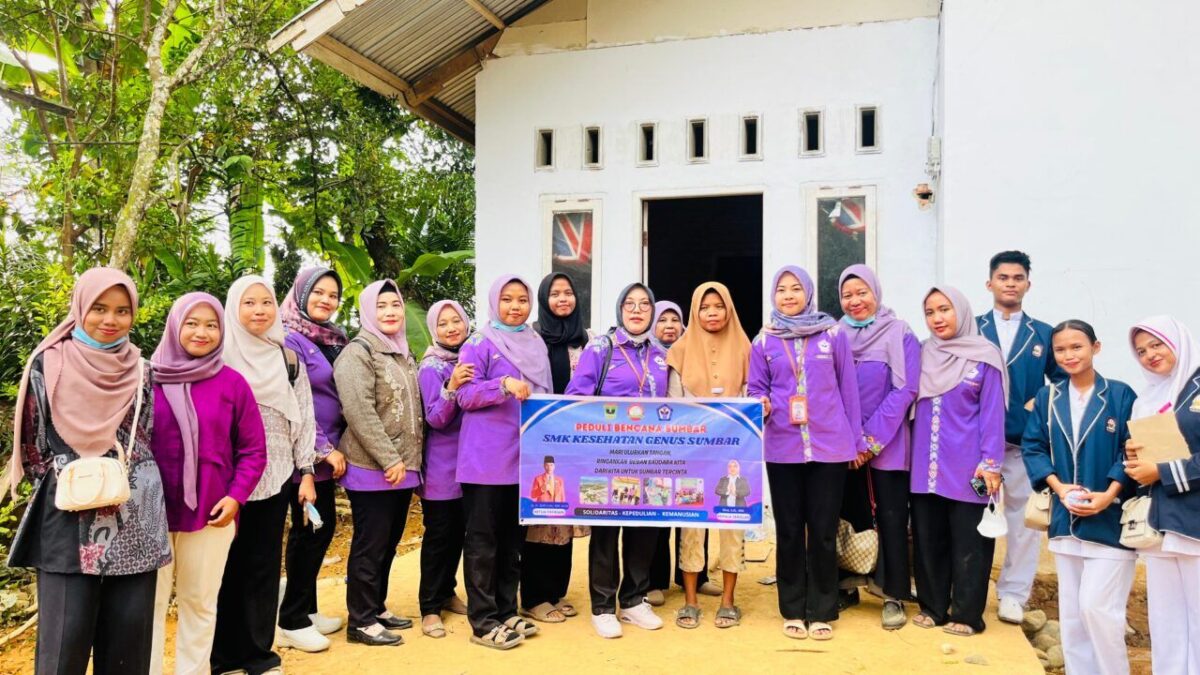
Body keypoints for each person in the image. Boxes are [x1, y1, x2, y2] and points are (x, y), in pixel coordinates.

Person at [6, 267, 171, 675]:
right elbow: (33, 446)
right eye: (99, 308)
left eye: (122, 311)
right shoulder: (48, 363)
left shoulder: (142, 369)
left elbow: (145, 433)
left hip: (135, 515)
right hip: (67, 513)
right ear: (80, 307)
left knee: (128, 646)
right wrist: (77, 478)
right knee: (63, 644)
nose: (110, 319)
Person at [149, 293, 267, 675]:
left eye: (211, 325)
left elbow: (253, 450)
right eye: (192, 323)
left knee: (199, 603)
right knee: (147, 606)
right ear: (175, 326)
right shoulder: (145, 379)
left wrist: (236, 497)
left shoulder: (232, 384)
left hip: (211, 512)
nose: (202, 332)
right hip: (150, 513)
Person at [748, 266, 865, 640]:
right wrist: (761, 402)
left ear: (809, 293)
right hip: (782, 447)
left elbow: (849, 389)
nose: (788, 295)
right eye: (781, 289)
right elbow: (755, 387)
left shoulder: (833, 334)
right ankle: (793, 609)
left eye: (796, 288)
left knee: (824, 531)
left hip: (830, 447)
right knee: (789, 530)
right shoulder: (763, 340)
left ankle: (822, 610)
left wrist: (856, 441)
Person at [212, 275, 318, 675]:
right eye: (249, 303)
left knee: (263, 567)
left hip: (276, 476)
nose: (259, 310)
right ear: (233, 308)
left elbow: (303, 416)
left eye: (266, 302)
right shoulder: (217, 357)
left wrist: (306, 471)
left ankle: (259, 655)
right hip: (225, 482)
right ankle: (223, 658)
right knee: (224, 568)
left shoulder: (286, 358)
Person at [1021, 320, 1137, 675]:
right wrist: (1059, 488)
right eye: (1060, 349)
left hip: (1109, 521)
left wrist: (1109, 493)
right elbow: (1033, 446)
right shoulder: (1048, 398)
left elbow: (1131, 450)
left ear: (1095, 348)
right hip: (1064, 520)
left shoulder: (1120, 395)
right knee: (1072, 618)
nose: (1068, 355)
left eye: (1077, 347)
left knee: (1098, 610)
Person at [566, 282, 669, 638]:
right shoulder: (601, 348)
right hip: (606, 458)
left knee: (645, 529)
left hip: (651, 458)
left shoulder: (661, 353)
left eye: (644, 304)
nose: (637, 310)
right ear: (620, 310)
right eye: (630, 304)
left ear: (652, 311)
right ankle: (603, 606)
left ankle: (634, 600)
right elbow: (576, 397)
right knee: (606, 532)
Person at [456, 275, 551, 649]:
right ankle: (483, 622)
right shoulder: (478, 343)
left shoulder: (535, 342)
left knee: (512, 541)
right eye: (507, 299)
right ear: (495, 302)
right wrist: (502, 385)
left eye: (522, 299)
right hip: (485, 460)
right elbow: (463, 396)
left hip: (522, 458)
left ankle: (507, 610)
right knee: (483, 542)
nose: (515, 306)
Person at [910, 286, 1006, 637]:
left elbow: (992, 413)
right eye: (930, 312)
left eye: (945, 309)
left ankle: (966, 614)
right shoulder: (921, 353)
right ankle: (933, 607)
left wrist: (991, 462)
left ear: (961, 311)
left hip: (971, 467)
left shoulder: (985, 357)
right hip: (925, 465)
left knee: (970, 542)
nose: (937, 318)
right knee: (928, 537)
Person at [334, 279, 425, 646]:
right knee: (370, 545)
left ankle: (376, 606)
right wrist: (389, 458)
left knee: (388, 543)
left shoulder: (402, 352)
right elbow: (359, 411)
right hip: (373, 469)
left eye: (395, 305)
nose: (390, 312)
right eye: (381, 306)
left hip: (402, 469)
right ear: (368, 312)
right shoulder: (358, 353)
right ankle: (360, 621)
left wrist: (410, 462)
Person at [976, 250, 1061, 624]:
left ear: (1028, 284)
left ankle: (1013, 594)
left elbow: (1064, 379)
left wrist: (1038, 402)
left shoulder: (1044, 334)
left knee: (1024, 522)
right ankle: (969, 587)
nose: (1010, 284)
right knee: (972, 516)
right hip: (977, 445)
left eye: (1017, 278)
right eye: (1003, 277)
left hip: (1023, 443)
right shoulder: (972, 328)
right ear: (989, 283)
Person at [837, 265, 921, 629]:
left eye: (862, 293)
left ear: (876, 292)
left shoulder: (900, 333)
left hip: (887, 443)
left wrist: (869, 441)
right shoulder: (835, 335)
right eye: (847, 295)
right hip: (843, 445)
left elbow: (906, 389)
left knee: (890, 516)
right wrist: (849, 440)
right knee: (847, 514)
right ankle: (847, 586)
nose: (855, 301)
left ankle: (893, 594)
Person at [668, 282, 752, 630]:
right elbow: (674, 406)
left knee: (732, 526)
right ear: (695, 311)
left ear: (729, 308)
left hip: (735, 453)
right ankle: (690, 601)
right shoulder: (679, 350)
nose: (712, 313)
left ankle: (728, 601)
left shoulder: (746, 348)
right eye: (705, 307)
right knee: (691, 525)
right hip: (693, 454)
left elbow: (750, 398)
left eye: (719, 306)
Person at [277, 267, 350, 651]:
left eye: (332, 295)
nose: (326, 300)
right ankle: (291, 620)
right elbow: (297, 403)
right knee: (309, 531)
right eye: (318, 292)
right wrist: (322, 447)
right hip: (303, 454)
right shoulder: (289, 338)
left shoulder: (331, 338)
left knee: (319, 529)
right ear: (302, 295)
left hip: (325, 456)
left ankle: (307, 609)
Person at [1124, 316, 1200, 674]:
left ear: (1177, 341)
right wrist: (1133, 457)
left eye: (1156, 344)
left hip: (1195, 521)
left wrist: (1163, 472)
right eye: (1141, 351)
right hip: (1160, 523)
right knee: (1166, 622)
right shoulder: (1147, 399)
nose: (1150, 355)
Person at [521, 273, 590, 623]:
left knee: (566, 515)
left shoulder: (587, 340)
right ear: (545, 299)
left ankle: (555, 591)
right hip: (543, 439)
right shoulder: (533, 339)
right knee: (541, 515)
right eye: (555, 293)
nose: (563, 299)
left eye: (568, 293)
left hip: (577, 441)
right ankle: (534, 596)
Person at [646, 300, 717, 605]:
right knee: (658, 508)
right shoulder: (645, 353)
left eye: (675, 320)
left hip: (692, 442)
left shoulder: (694, 353)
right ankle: (655, 581)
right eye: (662, 320)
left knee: (695, 506)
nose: (669, 326)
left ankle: (696, 575)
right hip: (656, 445)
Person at [416, 299, 473, 638]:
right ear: (434, 330)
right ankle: (430, 607)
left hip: (469, 464)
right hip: (440, 467)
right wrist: (452, 387)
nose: (452, 328)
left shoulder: (471, 358)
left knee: (459, 534)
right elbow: (435, 419)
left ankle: (447, 591)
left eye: (456, 321)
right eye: (443, 323)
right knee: (439, 535)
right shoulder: (431, 367)